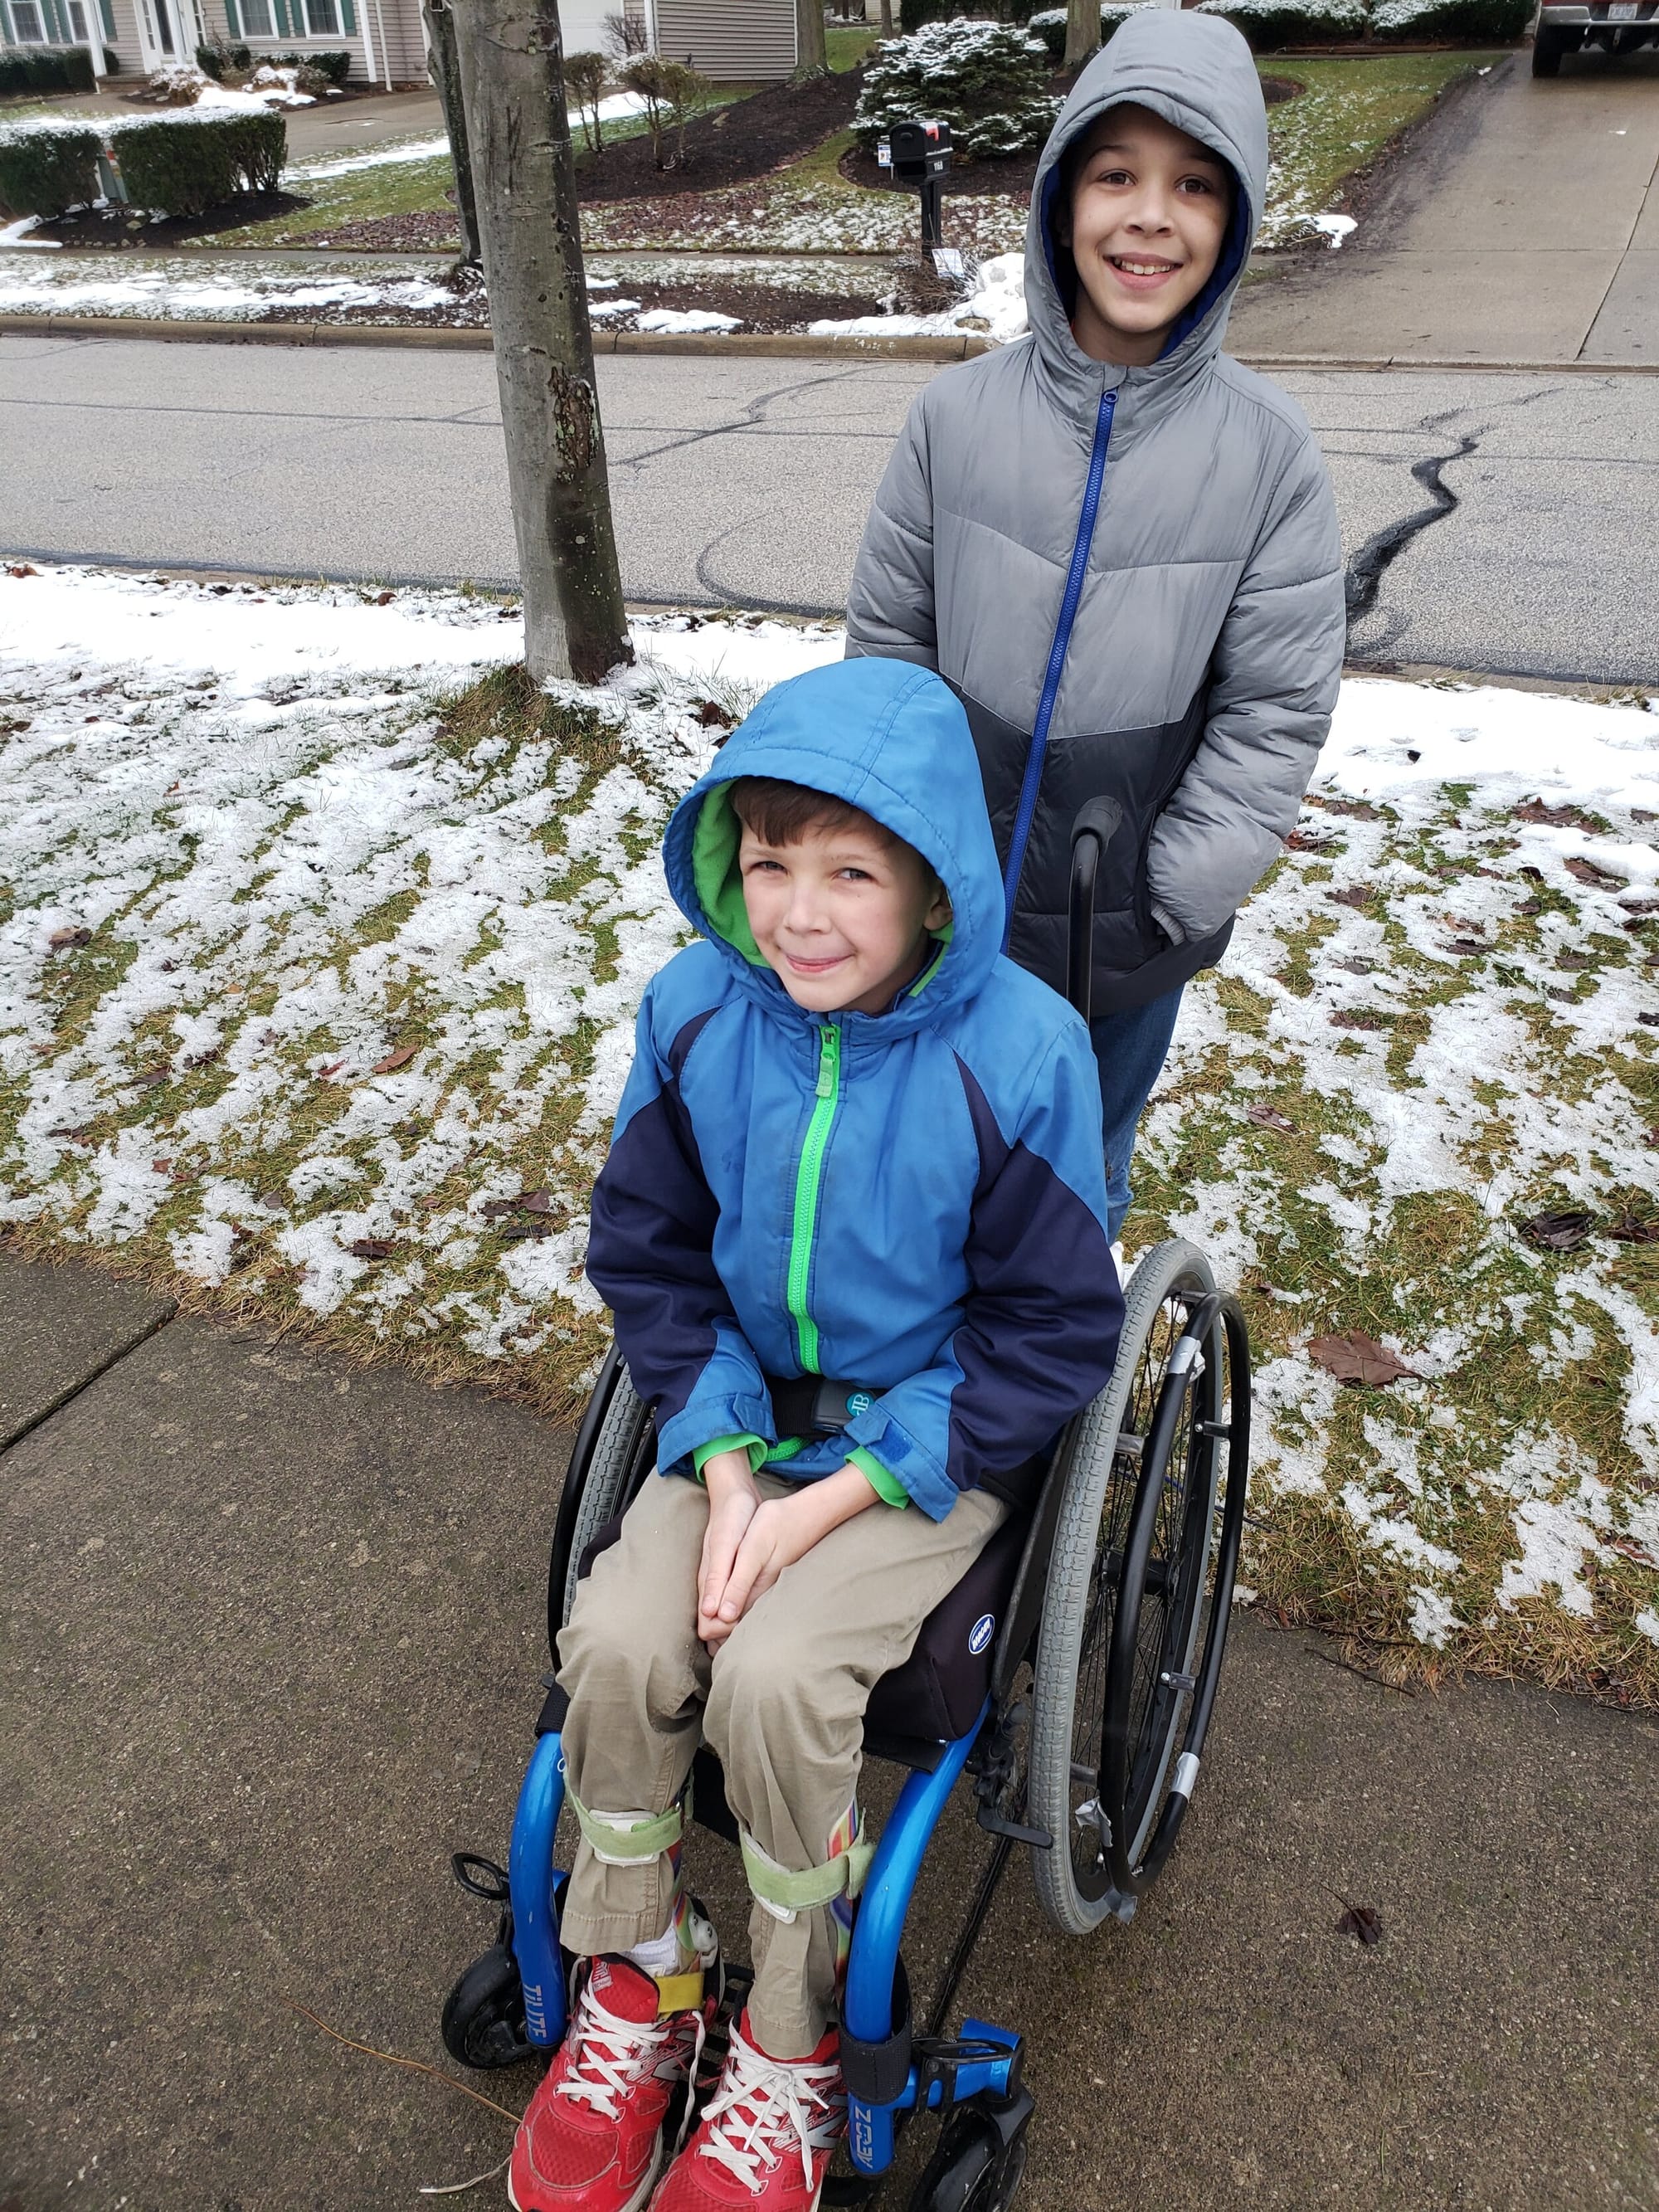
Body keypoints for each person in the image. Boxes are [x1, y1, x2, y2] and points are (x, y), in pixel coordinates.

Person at [508, 656, 1121, 2212]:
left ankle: (786, 2046)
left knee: (777, 1677)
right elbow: (647, 1254)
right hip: (735, 1412)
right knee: (621, 1640)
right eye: (770, 860)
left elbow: (1049, 1331)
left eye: (851, 870)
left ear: (933, 887)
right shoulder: (700, 1012)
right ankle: (646, 1972)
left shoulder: (1023, 1053)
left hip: (929, 1440)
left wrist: (822, 1501)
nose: (799, 911)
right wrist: (723, 1474)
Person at [845, 8, 1347, 1245]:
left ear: (1232, 225)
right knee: (929, 1148)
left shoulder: (1269, 455)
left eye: (1194, 185)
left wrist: (1174, 884)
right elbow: (888, 639)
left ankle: (1052, 1408)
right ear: (1063, 199)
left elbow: (1276, 706)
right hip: (949, 897)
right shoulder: (954, 418)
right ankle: (912, 1402)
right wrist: (902, 843)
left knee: (1076, 1169)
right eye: (1116, 174)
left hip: (1121, 916)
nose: (1149, 216)